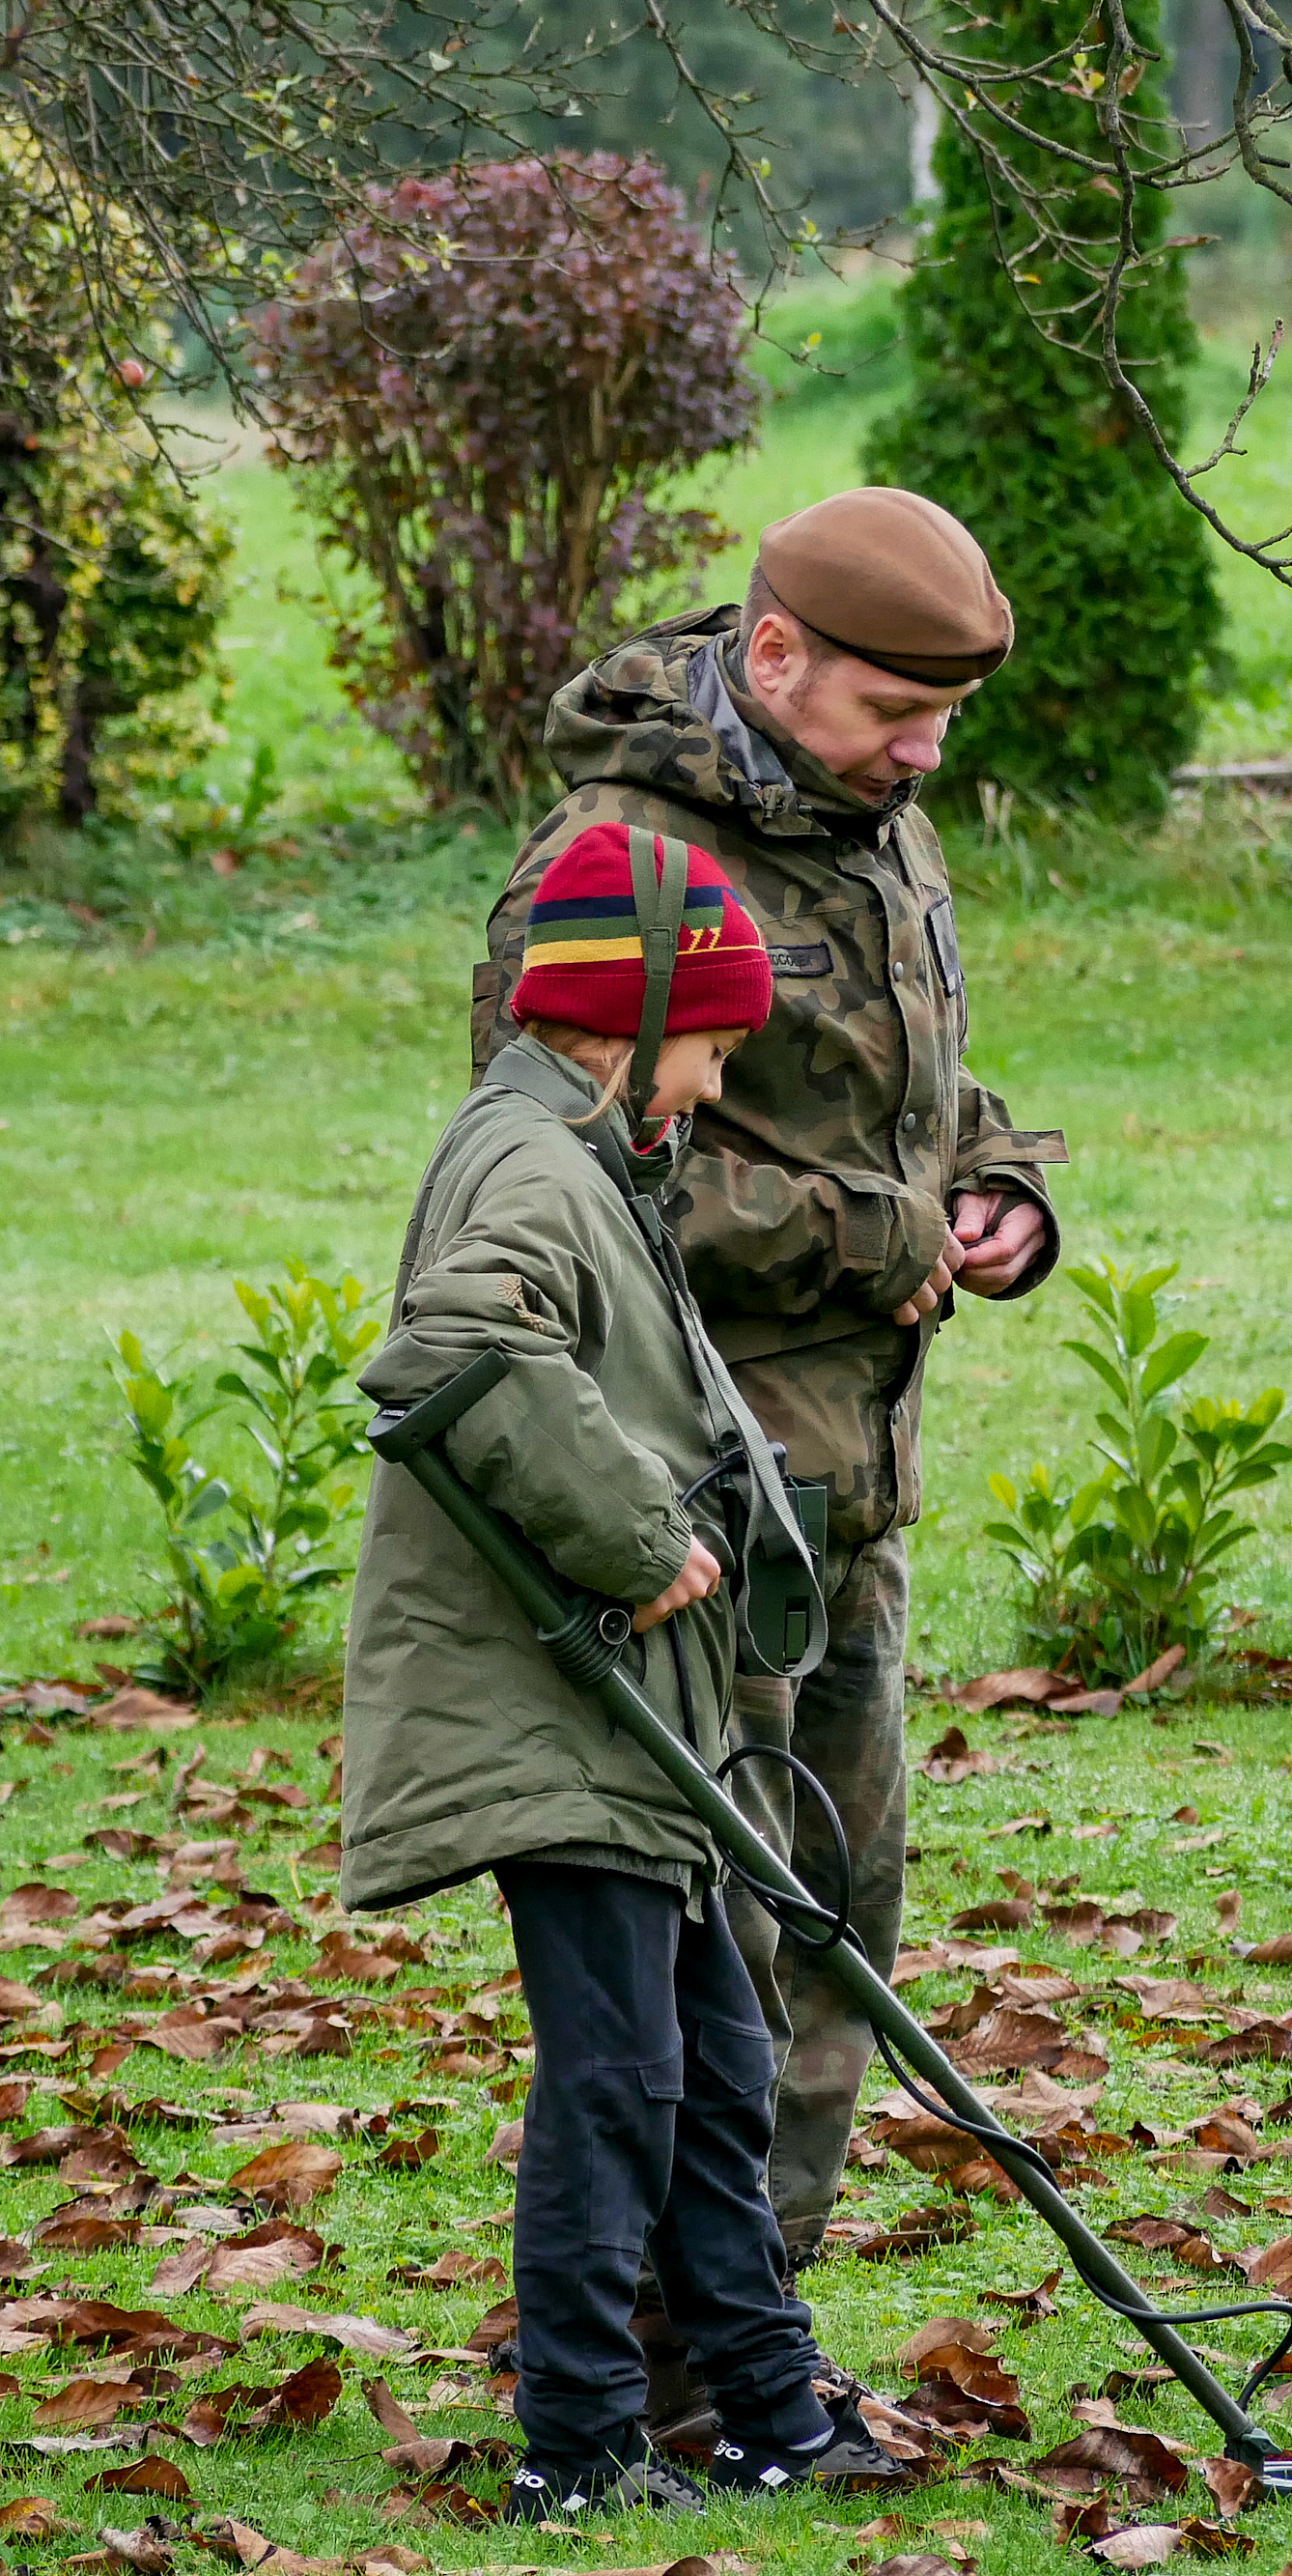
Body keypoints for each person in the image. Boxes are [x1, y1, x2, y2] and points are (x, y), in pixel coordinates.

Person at [474, 487, 1066, 2271]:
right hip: (688, 1499)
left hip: (847, 1495)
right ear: (777, 652)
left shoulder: (875, 817)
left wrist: (1001, 1182)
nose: (924, 751)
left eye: (945, 719)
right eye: (896, 712)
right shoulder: (618, 862)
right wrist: (886, 1242)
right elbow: (564, 1165)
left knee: (835, 1928)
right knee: (701, 1953)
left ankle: (756, 2338)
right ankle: (648, 2356)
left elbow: (913, 1082)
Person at [343, 820, 907, 2518]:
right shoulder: (531, 1162)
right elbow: (453, 1342)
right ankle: (581, 2440)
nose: (723, 1075)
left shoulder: (586, 1150)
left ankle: (766, 2408)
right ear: (631, 1012)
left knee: (716, 2058)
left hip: (623, 1714)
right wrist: (637, 1535)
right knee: (621, 2075)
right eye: (714, 1040)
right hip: (558, 1704)